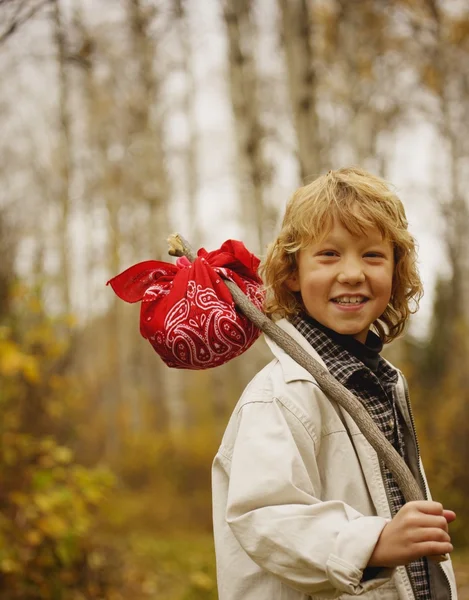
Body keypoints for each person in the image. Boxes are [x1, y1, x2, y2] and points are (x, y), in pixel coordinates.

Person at [211, 167, 458, 600]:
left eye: (372, 255)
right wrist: (373, 544)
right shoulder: (280, 397)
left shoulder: (379, 382)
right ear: (291, 273)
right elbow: (264, 516)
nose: (352, 273)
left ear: (396, 270)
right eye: (328, 254)